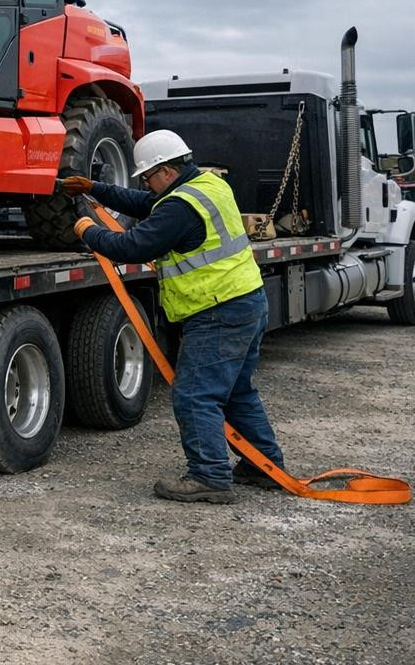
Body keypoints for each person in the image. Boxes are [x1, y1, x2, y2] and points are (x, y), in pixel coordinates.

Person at [59, 130, 285, 505]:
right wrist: (95, 188)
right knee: (236, 391)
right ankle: (264, 466)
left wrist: (88, 231)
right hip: (244, 301)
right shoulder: (207, 186)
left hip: (217, 311)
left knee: (196, 395)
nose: (147, 183)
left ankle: (210, 475)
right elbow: (146, 203)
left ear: (165, 171)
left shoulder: (179, 207)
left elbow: (133, 245)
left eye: (148, 175)